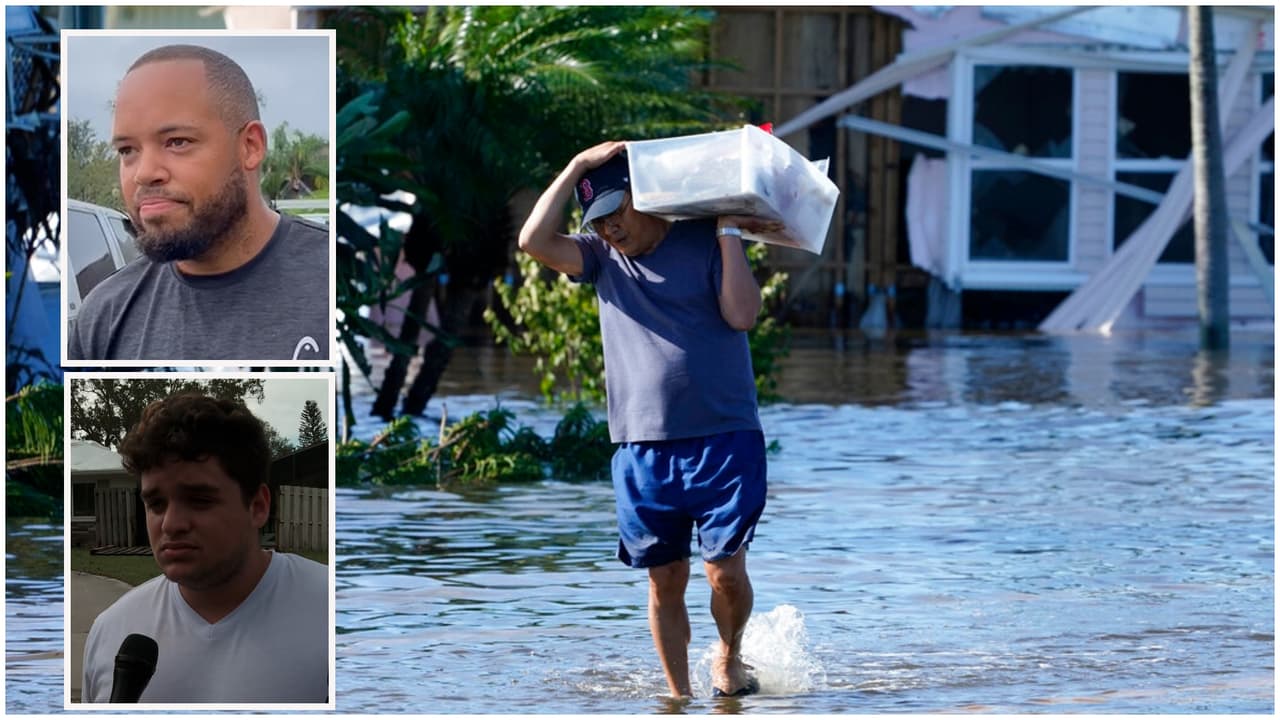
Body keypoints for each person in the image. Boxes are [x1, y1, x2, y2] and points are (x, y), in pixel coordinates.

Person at [518, 140, 780, 699]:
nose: (610, 228)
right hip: (643, 447)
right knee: (666, 581)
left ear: (647, 198)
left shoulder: (704, 237)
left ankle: (729, 658)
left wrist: (729, 232)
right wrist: (575, 165)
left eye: (617, 212)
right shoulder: (599, 257)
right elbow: (532, 241)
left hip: (724, 437)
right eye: (599, 219)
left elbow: (742, 314)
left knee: (725, 574)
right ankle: (678, 700)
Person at [67, 44, 328, 362]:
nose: (144, 174)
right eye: (127, 150)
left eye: (177, 142)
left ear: (249, 147)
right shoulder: (103, 318)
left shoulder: (335, 282)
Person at [81, 393, 328, 703]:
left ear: (258, 506)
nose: (170, 524)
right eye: (155, 503)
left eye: (199, 500)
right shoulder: (111, 632)